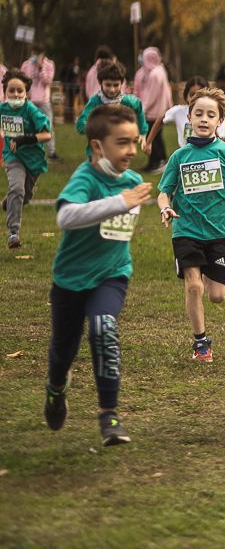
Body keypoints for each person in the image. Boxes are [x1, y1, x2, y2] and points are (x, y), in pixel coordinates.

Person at [45, 104, 154, 446]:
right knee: (63, 351)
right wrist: (119, 202)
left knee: (103, 327)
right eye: (122, 143)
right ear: (97, 146)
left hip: (112, 274)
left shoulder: (132, 181)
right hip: (70, 279)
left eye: (134, 141)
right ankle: (56, 388)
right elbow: (66, 217)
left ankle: (109, 414)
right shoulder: (87, 177)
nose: (132, 150)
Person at [157, 87, 225, 363]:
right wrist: (165, 207)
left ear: (219, 121)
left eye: (210, 115)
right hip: (186, 230)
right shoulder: (179, 156)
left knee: (217, 296)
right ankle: (201, 343)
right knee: (194, 287)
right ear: (189, 117)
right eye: (198, 113)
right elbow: (164, 191)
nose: (203, 119)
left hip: (220, 232)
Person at [2, 70, 52, 248]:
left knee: (25, 195)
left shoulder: (31, 110)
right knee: (17, 188)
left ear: (26, 92)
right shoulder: (2, 109)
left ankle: (10, 201)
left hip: (33, 159)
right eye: (11, 90)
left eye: (19, 91)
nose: (15, 94)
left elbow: (47, 135)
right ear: (5, 92)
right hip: (13, 156)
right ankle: (13, 233)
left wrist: (24, 139)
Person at [76, 59, 149, 152]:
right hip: (98, 152)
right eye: (108, 85)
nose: (112, 89)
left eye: (116, 85)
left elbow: (138, 106)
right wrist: (96, 129)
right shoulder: (95, 101)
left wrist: (143, 132)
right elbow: (80, 124)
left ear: (121, 83)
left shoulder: (127, 101)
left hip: (120, 151)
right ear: (100, 83)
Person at [145, 76, 225, 152]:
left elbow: (222, 140)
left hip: (209, 155)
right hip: (186, 156)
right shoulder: (178, 111)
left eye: (199, 95)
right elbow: (161, 118)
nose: (195, 98)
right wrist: (149, 142)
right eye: (192, 94)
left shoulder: (215, 114)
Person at [134, 47, 173, 173]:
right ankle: (153, 162)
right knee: (155, 137)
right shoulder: (160, 71)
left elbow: (151, 95)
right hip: (157, 110)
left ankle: (158, 161)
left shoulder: (155, 74)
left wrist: (143, 109)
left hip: (153, 112)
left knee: (154, 138)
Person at [20, 46, 57, 160]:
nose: (35, 56)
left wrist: (41, 68)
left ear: (42, 55)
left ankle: (51, 152)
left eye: (37, 54)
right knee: (28, 126)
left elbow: (48, 81)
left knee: (48, 126)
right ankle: (29, 151)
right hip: (29, 101)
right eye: (33, 53)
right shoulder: (26, 65)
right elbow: (21, 81)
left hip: (44, 101)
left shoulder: (49, 64)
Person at [60, 56, 82, 123]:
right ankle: (70, 118)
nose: (77, 62)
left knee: (68, 103)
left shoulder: (65, 67)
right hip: (71, 88)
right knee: (70, 103)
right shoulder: (75, 67)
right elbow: (76, 77)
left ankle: (67, 118)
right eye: (77, 60)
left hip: (67, 88)